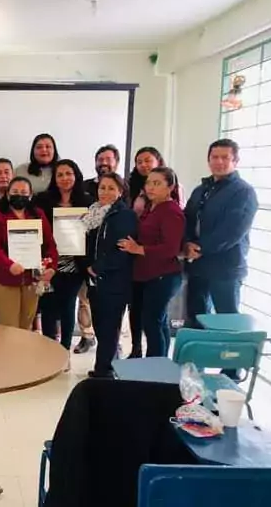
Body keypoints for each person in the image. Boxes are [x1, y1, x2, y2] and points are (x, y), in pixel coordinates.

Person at [184, 139, 258, 328]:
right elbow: (187, 219)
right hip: (198, 266)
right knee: (197, 320)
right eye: (214, 157)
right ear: (208, 160)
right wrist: (187, 244)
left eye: (225, 157)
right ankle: (199, 357)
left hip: (225, 268)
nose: (219, 162)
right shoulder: (202, 189)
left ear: (236, 161)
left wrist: (201, 247)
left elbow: (233, 231)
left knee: (228, 323)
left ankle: (231, 358)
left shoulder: (243, 191)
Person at [119, 167, 185, 358]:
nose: (151, 187)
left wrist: (138, 249)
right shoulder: (151, 207)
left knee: (152, 321)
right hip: (146, 274)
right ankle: (160, 362)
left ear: (170, 186)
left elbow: (170, 248)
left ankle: (154, 367)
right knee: (158, 320)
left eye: (157, 183)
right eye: (148, 183)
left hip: (163, 275)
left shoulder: (172, 211)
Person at [0, 177, 58, 329]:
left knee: (26, 325)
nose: (19, 195)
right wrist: (8, 265)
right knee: (8, 326)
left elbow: (50, 244)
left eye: (24, 192)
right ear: (8, 194)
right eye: (15, 192)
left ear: (30, 196)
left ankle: (22, 353)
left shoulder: (38, 214)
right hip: (4, 279)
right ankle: (8, 354)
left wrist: (51, 266)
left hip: (31, 279)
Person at [35, 160, 92, 355]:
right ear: (55, 179)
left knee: (68, 305)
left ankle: (64, 350)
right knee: (48, 306)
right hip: (49, 262)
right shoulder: (42, 200)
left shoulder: (87, 201)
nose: (65, 178)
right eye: (60, 175)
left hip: (75, 264)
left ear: (76, 176)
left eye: (69, 174)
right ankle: (49, 351)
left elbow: (92, 233)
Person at [83, 173, 137, 377]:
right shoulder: (93, 212)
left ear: (120, 191)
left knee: (109, 330)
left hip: (114, 282)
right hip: (95, 281)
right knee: (100, 327)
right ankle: (106, 366)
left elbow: (122, 249)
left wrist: (98, 267)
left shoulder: (125, 215)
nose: (105, 192)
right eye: (102, 187)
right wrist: (87, 266)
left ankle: (104, 371)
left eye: (111, 188)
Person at [75, 143, 124, 355]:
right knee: (85, 301)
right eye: (100, 159)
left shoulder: (122, 196)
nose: (103, 163)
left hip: (110, 266)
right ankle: (87, 336)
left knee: (112, 312)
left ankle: (112, 343)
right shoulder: (84, 187)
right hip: (88, 259)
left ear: (116, 163)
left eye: (108, 159)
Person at [128, 146, 185, 214]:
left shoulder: (173, 185)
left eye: (147, 161)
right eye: (139, 162)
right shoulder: (131, 184)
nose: (143, 165)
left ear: (158, 162)